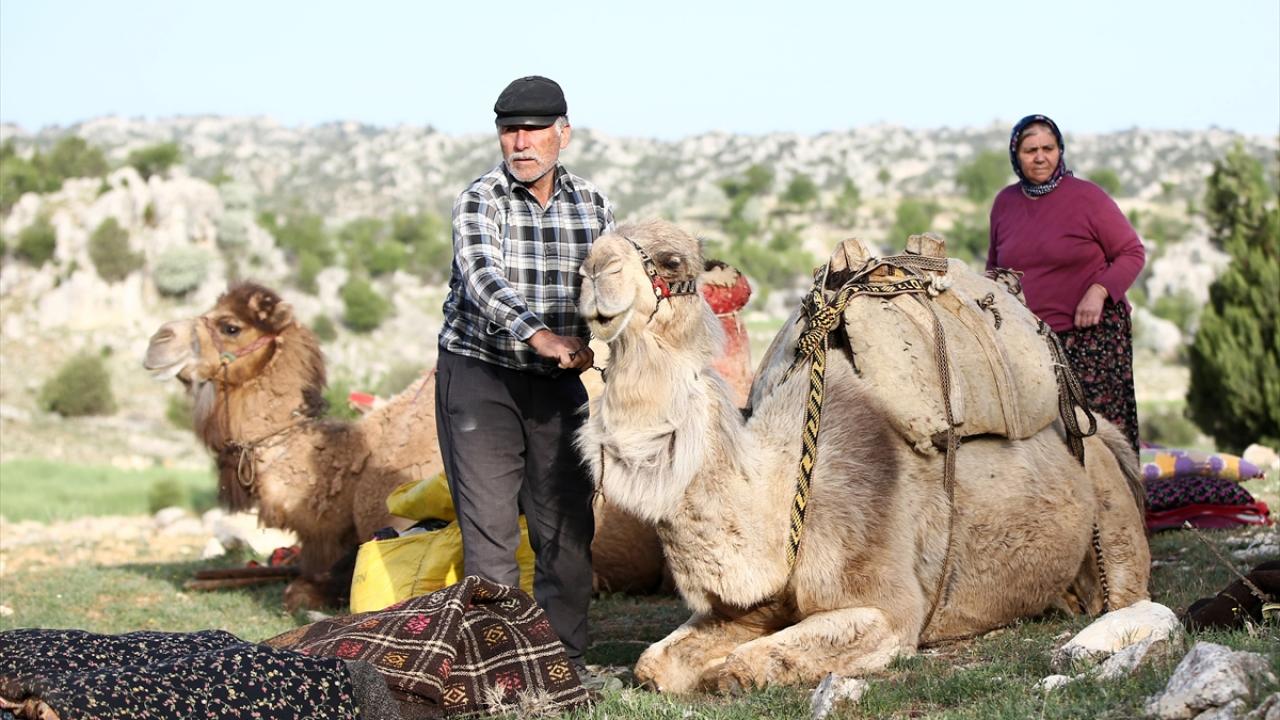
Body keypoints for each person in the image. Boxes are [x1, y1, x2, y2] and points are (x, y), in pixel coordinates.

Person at [434, 75, 614, 673]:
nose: (520, 142)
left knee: (565, 529)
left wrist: (596, 345)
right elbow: (483, 280)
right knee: (490, 536)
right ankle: (502, 669)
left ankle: (564, 665)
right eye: (509, 130)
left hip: (557, 382)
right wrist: (542, 336)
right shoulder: (478, 199)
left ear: (563, 133)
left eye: (533, 129)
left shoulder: (592, 204)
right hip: (482, 378)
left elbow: (607, 289)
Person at [987, 114, 1146, 452]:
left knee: (1101, 438)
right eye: (1031, 150)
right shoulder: (1004, 203)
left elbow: (1132, 252)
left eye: (1049, 148)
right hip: (1031, 341)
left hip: (1092, 337)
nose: (1040, 157)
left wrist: (1099, 291)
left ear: (1061, 150)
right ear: (1016, 154)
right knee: (1045, 443)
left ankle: (1120, 503)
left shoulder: (1088, 198)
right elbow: (994, 269)